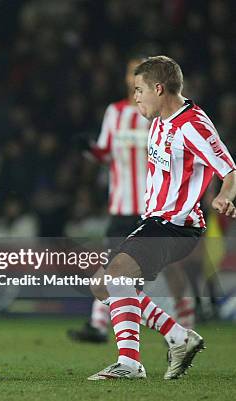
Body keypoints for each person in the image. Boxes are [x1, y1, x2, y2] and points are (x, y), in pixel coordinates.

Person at [87, 56, 236, 380]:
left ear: (158, 88)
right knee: (103, 285)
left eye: (139, 90)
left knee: (114, 279)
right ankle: (177, 337)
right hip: (154, 220)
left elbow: (229, 167)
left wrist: (225, 195)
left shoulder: (193, 124)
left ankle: (130, 363)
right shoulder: (159, 120)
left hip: (176, 225)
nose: (135, 96)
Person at [68, 58, 195, 343]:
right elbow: (106, 153)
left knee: (169, 266)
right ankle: (100, 325)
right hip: (122, 205)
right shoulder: (115, 112)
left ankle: (183, 320)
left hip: (156, 206)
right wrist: (90, 150)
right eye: (130, 71)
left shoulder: (162, 112)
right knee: (114, 269)